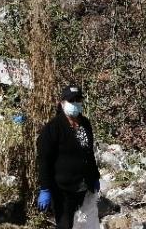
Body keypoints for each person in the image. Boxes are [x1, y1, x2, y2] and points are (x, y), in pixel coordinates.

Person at [37, 85, 101, 229]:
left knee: (86, 222)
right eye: (71, 101)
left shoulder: (85, 124)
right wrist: (45, 188)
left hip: (85, 185)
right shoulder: (53, 128)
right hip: (63, 188)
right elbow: (44, 160)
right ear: (62, 103)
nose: (75, 104)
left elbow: (89, 153)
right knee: (65, 224)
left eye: (78, 100)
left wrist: (95, 176)